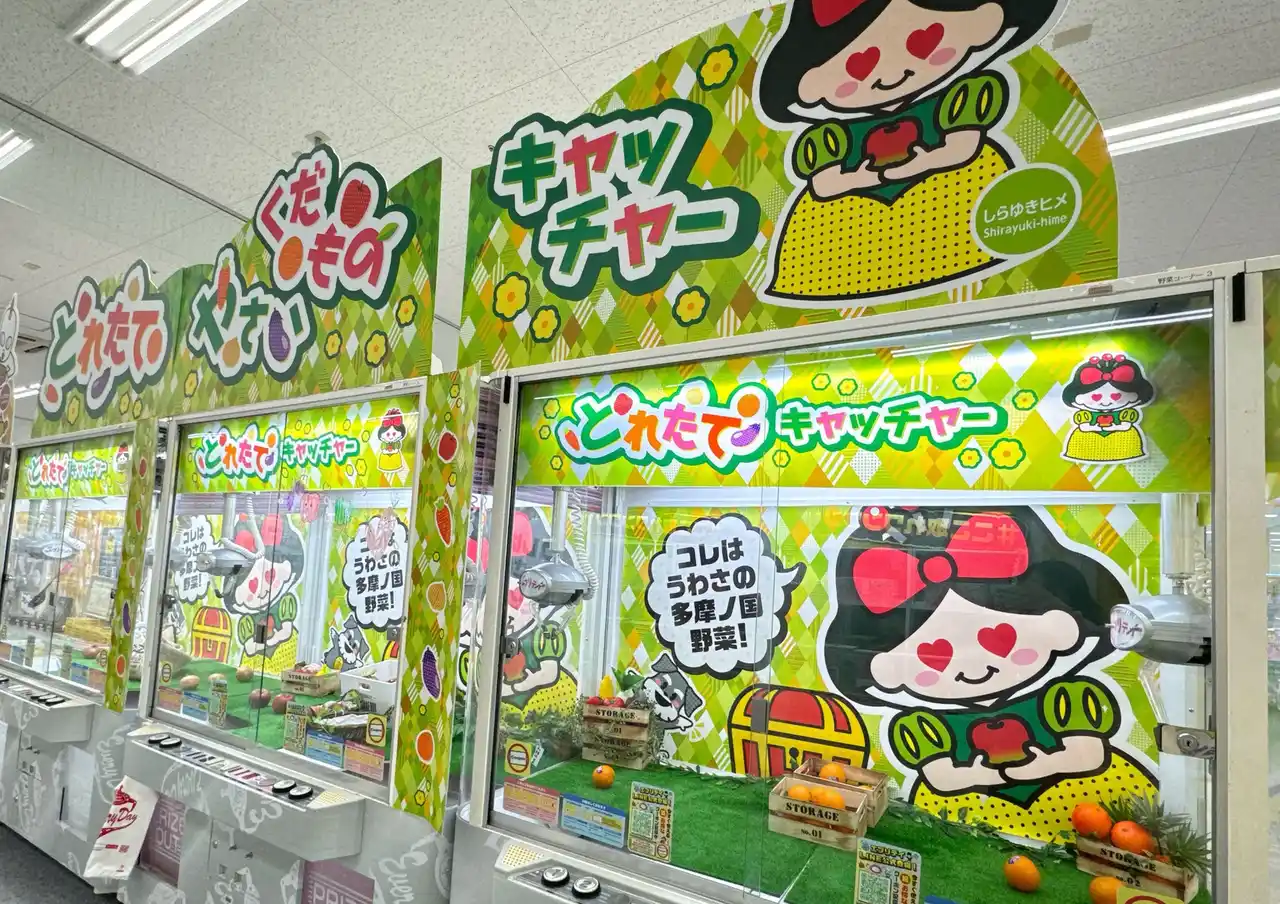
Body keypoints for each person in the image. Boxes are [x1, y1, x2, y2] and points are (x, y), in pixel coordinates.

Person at [823, 505, 1156, 840]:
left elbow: (1088, 752)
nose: (974, 667)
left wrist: (1048, 763)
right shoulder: (924, 726)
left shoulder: (1065, 698)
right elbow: (941, 776)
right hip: (953, 823)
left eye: (997, 641)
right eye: (938, 654)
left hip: (1077, 810)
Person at [758, 0, 1064, 301]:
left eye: (920, 45)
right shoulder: (831, 136)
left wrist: (923, 162)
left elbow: (962, 147)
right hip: (843, 236)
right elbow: (824, 184)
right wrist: (859, 179)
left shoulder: (962, 98)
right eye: (859, 69)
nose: (889, 76)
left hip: (953, 204)